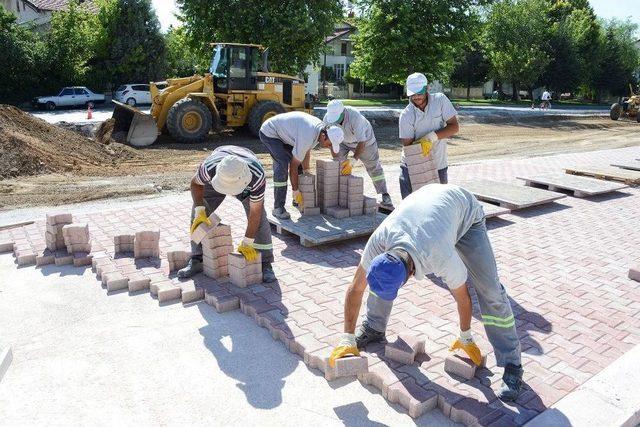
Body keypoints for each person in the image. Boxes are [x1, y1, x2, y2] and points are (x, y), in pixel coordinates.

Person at [328, 184, 523, 402]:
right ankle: (374, 327)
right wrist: (346, 338)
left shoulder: (440, 257)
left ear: (410, 274)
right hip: (428, 204)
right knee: (382, 280)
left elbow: (463, 298)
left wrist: (465, 335)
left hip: (465, 214)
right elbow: (356, 288)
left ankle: (512, 364)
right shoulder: (379, 240)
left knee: (490, 290)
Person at [178, 146, 276, 283]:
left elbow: (255, 212)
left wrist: (248, 241)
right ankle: (197, 258)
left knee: (260, 220)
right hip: (217, 180)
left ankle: (265, 262)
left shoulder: (256, 177)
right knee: (199, 214)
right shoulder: (209, 168)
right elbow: (195, 184)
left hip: (245, 183)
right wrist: (200, 211)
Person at [260, 111, 344, 219]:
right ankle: (278, 208)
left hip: (287, 134)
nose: (329, 147)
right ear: (324, 136)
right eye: (330, 144)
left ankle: (297, 200)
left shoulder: (320, 130)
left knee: (300, 169)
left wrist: (306, 171)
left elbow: (305, 150)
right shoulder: (308, 134)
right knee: (282, 166)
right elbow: (293, 166)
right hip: (270, 132)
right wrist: (295, 190)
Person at [323, 99, 393, 210]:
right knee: (339, 165)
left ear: (343, 111)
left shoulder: (354, 117)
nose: (334, 120)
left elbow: (362, 141)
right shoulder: (327, 119)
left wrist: (353, 160)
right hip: (342, 142)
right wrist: (336, 158)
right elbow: (331, 140)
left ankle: (384, 195)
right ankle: (342, 194)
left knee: (373, 166)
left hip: (364, 141)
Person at [399, 72, 459, 199]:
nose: (416, 97)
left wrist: (431, 137)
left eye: (419, 93)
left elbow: (454, 126)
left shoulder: (440, 100)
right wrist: (422, 142)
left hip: (438, 164)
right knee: (411, 207)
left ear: (427, 89)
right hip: (412, 166)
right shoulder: (406, 115)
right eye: (413, 94)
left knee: (439, 205)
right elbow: (408, 146)